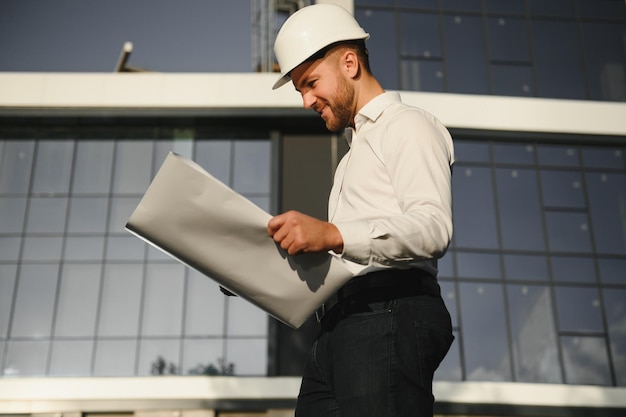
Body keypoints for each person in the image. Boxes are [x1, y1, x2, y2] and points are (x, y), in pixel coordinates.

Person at [267, 4, 455, 417]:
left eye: (311, 83)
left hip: (388, 311)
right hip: (338, 327)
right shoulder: (349, 160)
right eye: (300, 90)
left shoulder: (408, 125)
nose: (306, 101)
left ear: (349, 62)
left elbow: (433, 227)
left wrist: (333, 234)